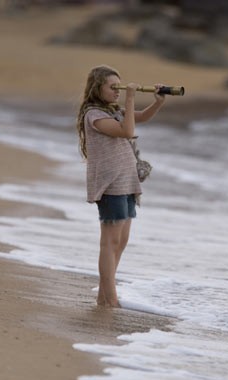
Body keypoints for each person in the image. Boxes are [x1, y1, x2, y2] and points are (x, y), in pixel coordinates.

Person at [76, 65, 166, 307]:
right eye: (113, 87)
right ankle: (111, 298)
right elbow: (127, 131)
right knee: (110, 241)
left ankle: (103, 295)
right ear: (97, 88)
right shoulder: (94, 115)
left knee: (122, 240)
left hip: (127, 182)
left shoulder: (113, 111)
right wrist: (130, 95)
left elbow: (140, 118)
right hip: (110, 184)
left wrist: (157, 102)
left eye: (120, 86)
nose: (118, 91)